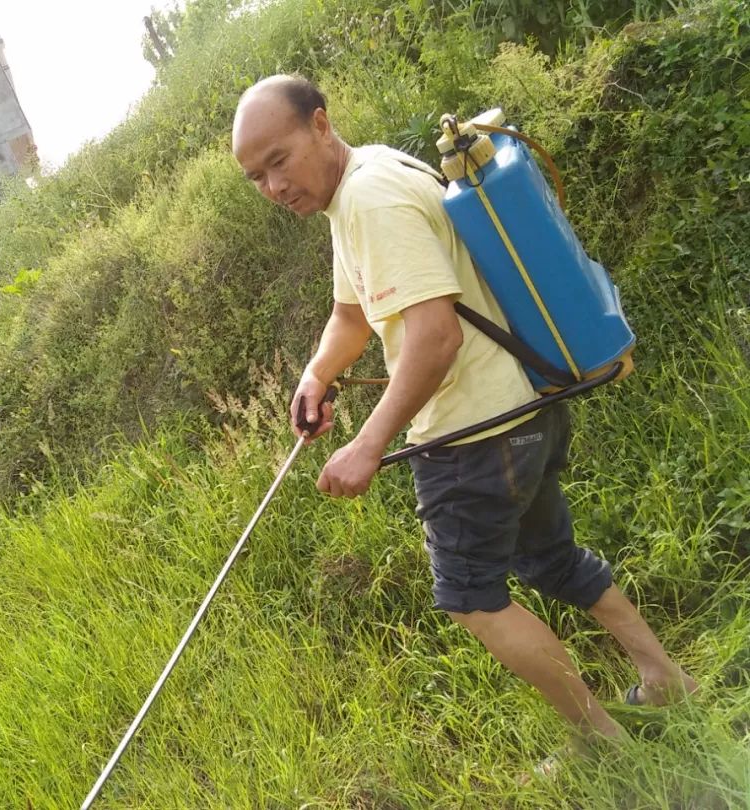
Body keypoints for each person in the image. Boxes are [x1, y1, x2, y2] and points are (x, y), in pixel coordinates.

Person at [230, 74, 697, 753]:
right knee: (553, 559)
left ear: (321, 125)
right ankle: (664, 678)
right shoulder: (364, 181)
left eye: (279, 160)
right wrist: (316, 375)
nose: (273, 186)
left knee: (469, 597)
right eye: (256, 177)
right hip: (522, 410)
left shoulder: (370, 199)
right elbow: (351, 312)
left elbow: (435, 337)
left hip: (472, 435)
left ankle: (603, 745)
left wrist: (367, 444)